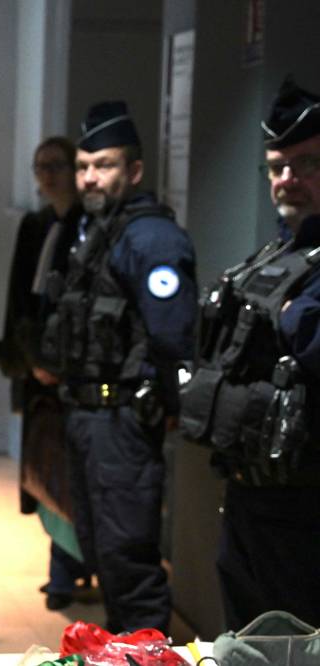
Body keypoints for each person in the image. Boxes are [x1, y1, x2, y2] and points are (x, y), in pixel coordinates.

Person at [40, 101, 198, 634]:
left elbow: (174, 335)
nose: (89, 177)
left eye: (103, 165)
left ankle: (145, 652)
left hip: (123, 422)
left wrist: (162, 405)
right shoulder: (96, 232)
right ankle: (122, 649)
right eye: (83, 166)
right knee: (102, 551)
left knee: (129, 557)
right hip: (88, 418)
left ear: (133, 171)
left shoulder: (151, 239)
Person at [179, 77, 320, 629]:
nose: (288, 181)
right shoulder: (278, 255)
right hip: (249, 494)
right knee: (248, 637)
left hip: (305, 508)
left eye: (307, 165)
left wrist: (293, 315)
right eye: (277, 167)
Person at [0, 136, 90, 611]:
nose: (47, 175)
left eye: (56, 165)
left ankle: (66, 571)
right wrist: (28, 359)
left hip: (76, 369)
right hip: (38, 363)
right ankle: (64, 567)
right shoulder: (35, 225)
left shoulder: (90, 225)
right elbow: (19, 296)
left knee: (70, 470)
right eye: (40, 167)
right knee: (47, 466)